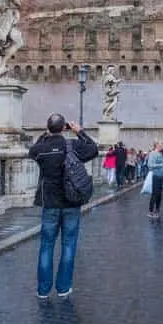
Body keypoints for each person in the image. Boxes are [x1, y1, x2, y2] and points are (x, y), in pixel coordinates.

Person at [29, 113, 98, 298]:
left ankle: (43, 290)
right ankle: (63, 287)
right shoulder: (72, 146)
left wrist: (45, 135)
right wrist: (80, 132)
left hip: (50, 203)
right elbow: (93, 149)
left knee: (46, 246)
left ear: (48, 128)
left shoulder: (41, 149)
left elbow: (32, 151)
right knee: (68, 245)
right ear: (64, 128)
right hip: (71, 202)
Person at [146, 141, 163, 218]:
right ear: (156, 145)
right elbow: (150, 165)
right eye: (161, 145)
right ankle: (150, 211)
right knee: (155, 194)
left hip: (161, 176)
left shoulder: (160, 154)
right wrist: (160, 165)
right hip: (156, 176)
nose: (162, 146)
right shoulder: (152, 153)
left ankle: (157, 210)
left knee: (160, 194)